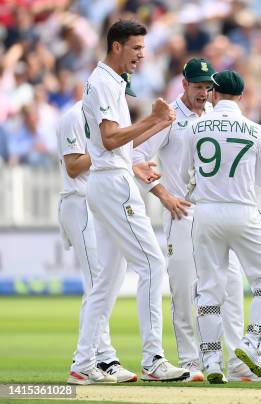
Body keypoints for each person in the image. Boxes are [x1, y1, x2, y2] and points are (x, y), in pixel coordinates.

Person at [69, 19, 188, 385]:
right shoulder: (104, 81)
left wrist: (157, 123)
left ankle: (83, 362)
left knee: (107, 280)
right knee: (152, 264)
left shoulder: (110, 82)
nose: (141, 54)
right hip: (113, 183)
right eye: (136, 47)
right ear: (116, 46)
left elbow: (121, 143)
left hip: (110, 180)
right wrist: (153, 118)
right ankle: (153, 358)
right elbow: (108, 140)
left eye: (143, 47)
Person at [132, 58, 257, 382]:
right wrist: (164, 196)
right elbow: (136, 157)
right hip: (182, 212)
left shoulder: (217, 117)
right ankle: (191, 361)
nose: (204, 92)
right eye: (198, 86)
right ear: (184, 84)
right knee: (186, 290)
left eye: (208, 87)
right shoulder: (170, 117)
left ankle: (237, 361)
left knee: (228, 287)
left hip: (214, 211)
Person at [188, 70, 261, 384]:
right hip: (243, 211)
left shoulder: (196, 125)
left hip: (206, 212)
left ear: (213, 94)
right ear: (241, 96)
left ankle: (212, 360)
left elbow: (189, 169)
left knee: (209, 289)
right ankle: (251, 342)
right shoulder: (255, 130)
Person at [58, 100, 135, 384]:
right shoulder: (74, 116)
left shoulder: (109, 120)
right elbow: (73, 166)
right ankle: (102, 360)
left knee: (108, 282)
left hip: (99, 202)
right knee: (97, 283)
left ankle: (99, 359)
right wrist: (103, 149)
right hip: (79, 203)